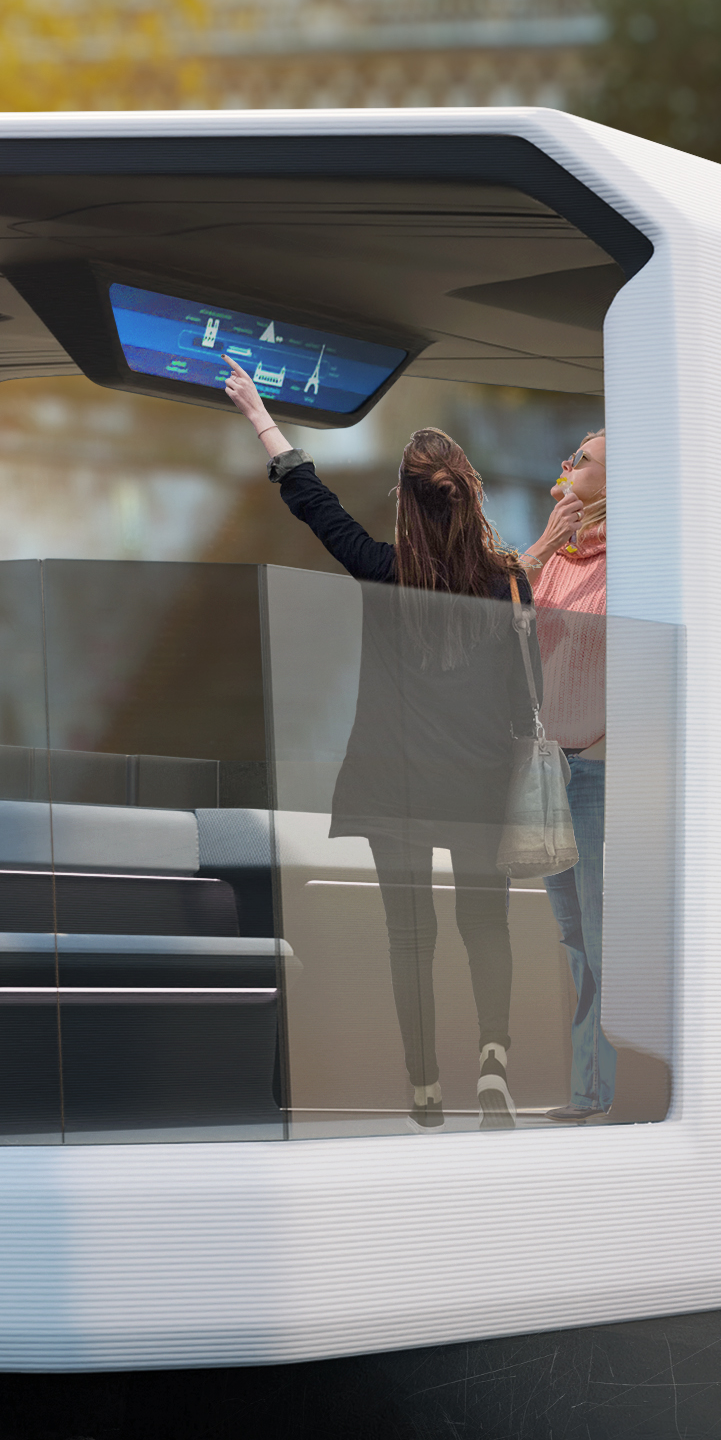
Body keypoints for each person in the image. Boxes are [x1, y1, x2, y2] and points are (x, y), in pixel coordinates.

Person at [223, 362, 540, 1125]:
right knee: (485, 923)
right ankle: (494, 1060)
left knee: (409, 936)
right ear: (467, 493)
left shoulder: (384, 569)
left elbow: (313, 503)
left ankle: (423, 1084)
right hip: (478, 778)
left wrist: (259, 415)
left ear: (405, 501)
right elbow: (523, 690)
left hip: (391, 780)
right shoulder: (508, 583)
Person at [524, 430, 615, 1116]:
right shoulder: (560, 556)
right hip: (549, 773)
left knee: (609, 939)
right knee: (576, 941)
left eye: (580, 460)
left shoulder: (635, 557)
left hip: (602, 772)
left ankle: (618, 1093)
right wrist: (547, 544)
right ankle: (592, 1095)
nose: (565, 466)